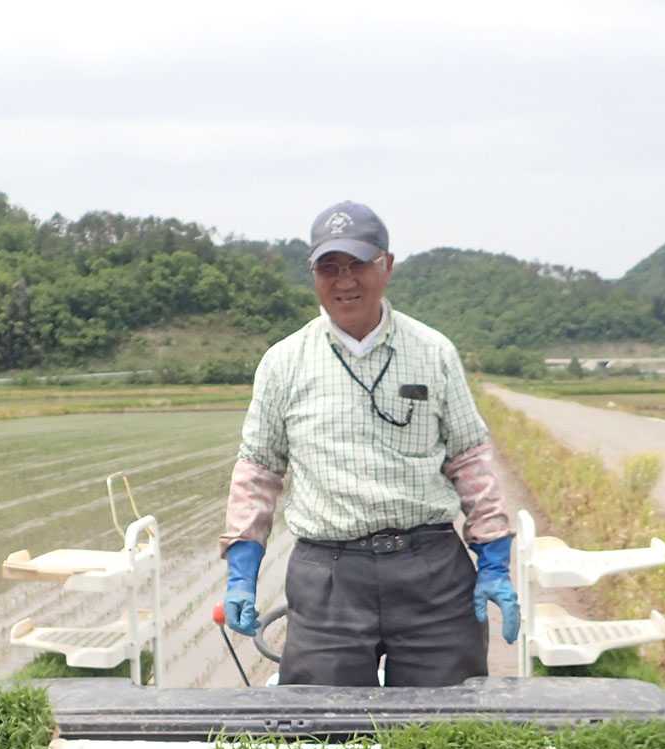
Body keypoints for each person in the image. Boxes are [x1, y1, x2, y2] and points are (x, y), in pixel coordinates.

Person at [219, 200, 518, 687]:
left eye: (358, 264)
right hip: (328, 578)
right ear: (313, 273)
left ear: (388, 266)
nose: (345, 281)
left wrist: (495, 564)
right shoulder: (284, 362)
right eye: (329, 267)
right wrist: (241, 572)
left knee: (441, 733)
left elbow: (471, 460)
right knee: (321, 736)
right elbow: (258, 469)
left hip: (432, 573)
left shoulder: (433, 352)